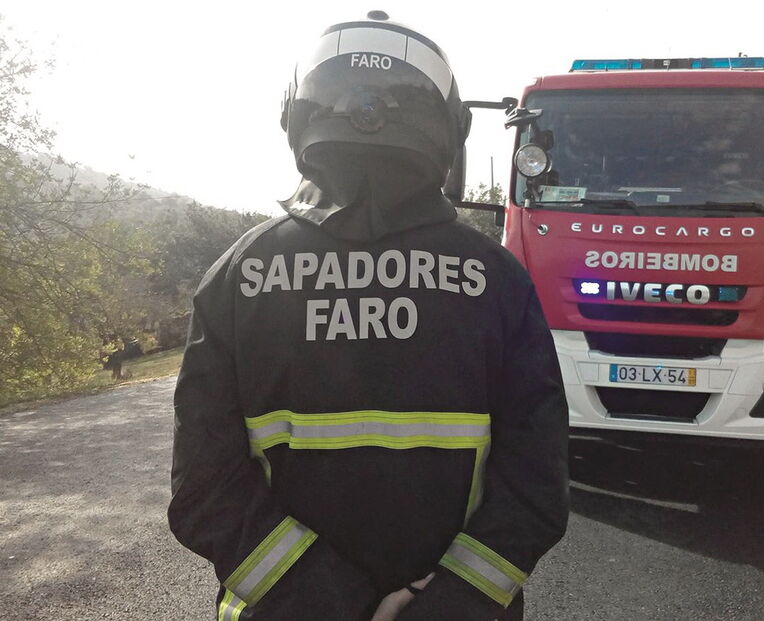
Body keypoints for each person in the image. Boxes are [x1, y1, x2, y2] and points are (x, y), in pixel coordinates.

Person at [167, 12, 569, 621]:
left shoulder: (238, 274)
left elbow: (203, 486)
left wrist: (325, 603)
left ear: (295, 118)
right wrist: (451, 600)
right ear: (450, 128)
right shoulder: (498, 279)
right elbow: (537, 476)